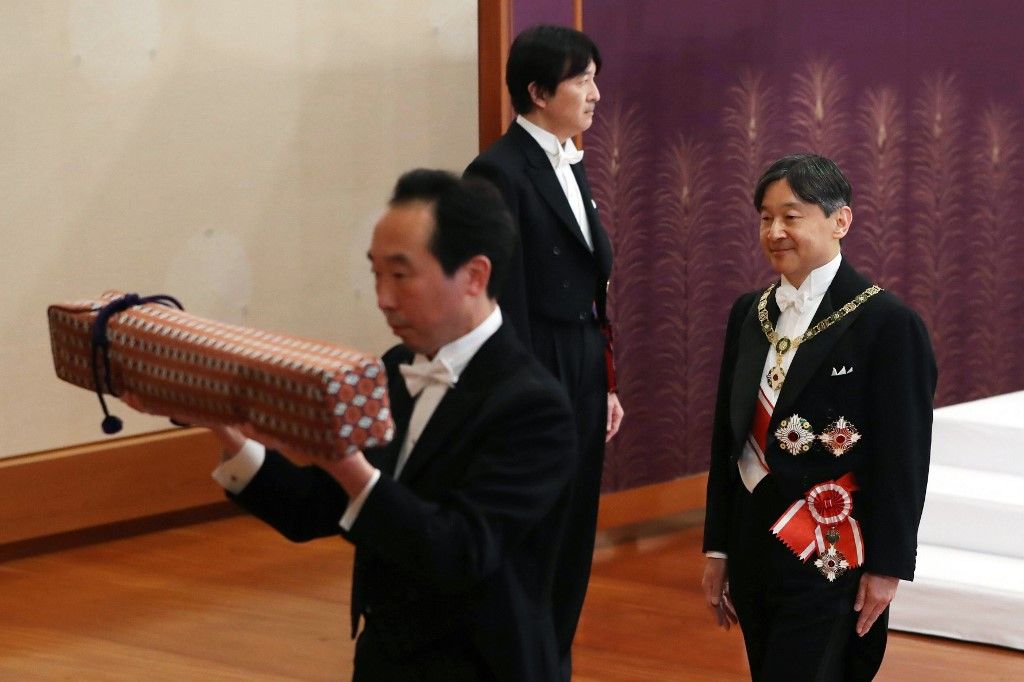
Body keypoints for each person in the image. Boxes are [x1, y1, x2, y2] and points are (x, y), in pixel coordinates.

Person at [125, 170, 578, 681]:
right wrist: (225, 430)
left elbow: (456, 552)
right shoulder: (390, 367)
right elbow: (315, 507)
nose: (383, 297)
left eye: (401, 275)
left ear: (474, 276)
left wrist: (349, 468)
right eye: (375, 273)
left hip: (484, 667)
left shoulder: (533, 407)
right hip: (387, 659)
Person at [700, 154, 937, 680]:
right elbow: (727, 438)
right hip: (752, 545)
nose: (775, 231)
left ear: (840, 221)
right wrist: (717, 547)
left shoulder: (887, 323)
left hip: (829, 551)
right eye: (765, 217)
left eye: (791, 215)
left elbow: (905, 459)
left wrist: (888, 567)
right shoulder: (750, 312)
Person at [464, 25, 623, 677]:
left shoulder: (567, 158)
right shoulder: (498, 172)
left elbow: (591, 286)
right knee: (539, 526)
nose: (595, 93)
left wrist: (607, 381)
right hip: (538, 365)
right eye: (581, 79)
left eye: (593, 77)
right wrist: (522, 397)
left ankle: (554, 658)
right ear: (536, 91)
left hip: (580, 362)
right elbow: (507, 300)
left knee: (576, 525)